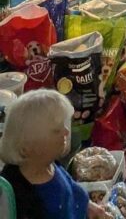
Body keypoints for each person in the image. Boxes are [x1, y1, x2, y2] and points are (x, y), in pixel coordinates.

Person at [0, 89, 107, 219]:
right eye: (57, 130)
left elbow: (72, 191)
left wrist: (90, 207)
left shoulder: (51, 165)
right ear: (28, 146)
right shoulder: (17, 194)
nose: (66, 132)